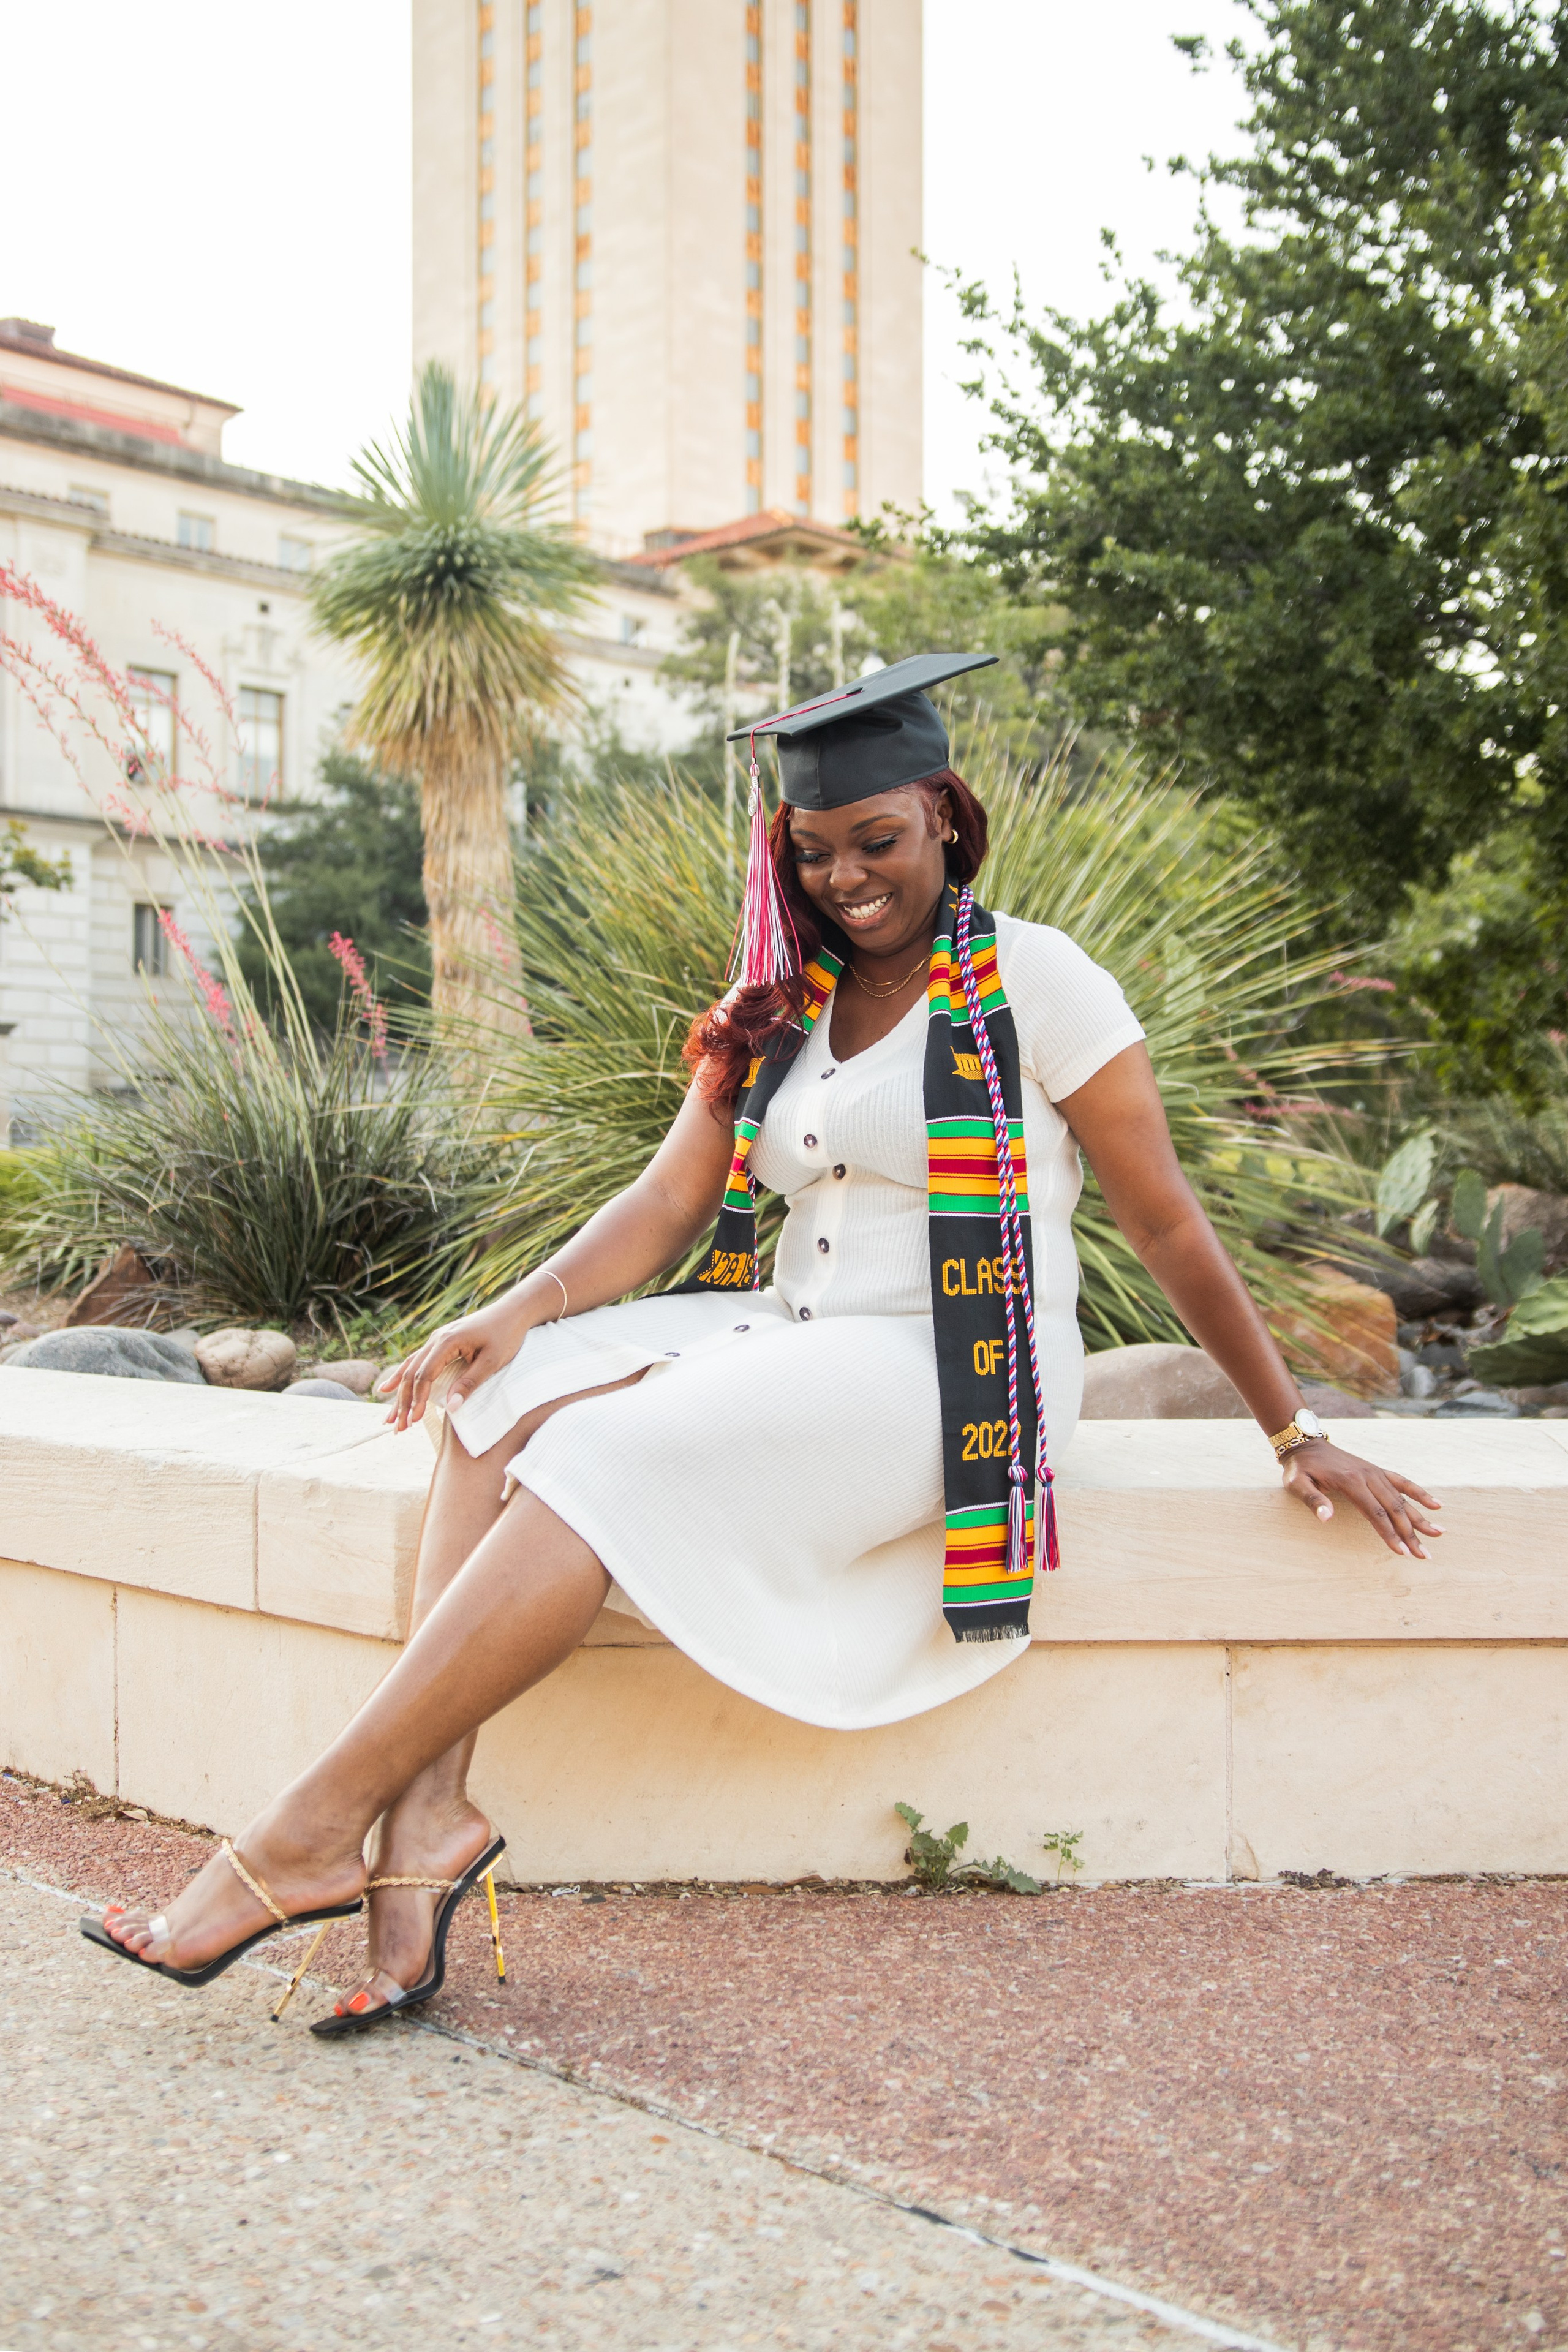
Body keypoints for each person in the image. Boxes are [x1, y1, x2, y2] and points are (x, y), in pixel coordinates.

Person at [83, 652, 1441, 2028]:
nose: (847, 876)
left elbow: (1166, 1227)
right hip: (786, 1326)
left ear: (946, 828)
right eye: (813, 851)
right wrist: (511, 1313)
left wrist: (1291, 1426)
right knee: (496, 1406)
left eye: (878, 842)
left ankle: (296, 1835)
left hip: (951, 1365)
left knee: (599, 1450)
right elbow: (672, 1197)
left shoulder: (1043, 982)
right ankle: (422, 1830)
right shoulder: (780, 1001)